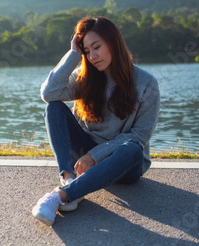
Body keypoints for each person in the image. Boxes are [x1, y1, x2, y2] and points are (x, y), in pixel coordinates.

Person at [32, 16, 160, 226]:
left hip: (125, 165)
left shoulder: (146, 83)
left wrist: (94, 156)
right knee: (53, 107)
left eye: (96, 47)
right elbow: (49, 93)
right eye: (86, 50)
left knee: (133, 148)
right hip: (86, 155)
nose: (92, 56)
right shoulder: (85, 78)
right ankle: (69, 180)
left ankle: (61, 196)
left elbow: (140, 136)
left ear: (113, 43)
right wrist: (74, 54)